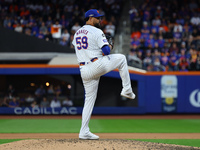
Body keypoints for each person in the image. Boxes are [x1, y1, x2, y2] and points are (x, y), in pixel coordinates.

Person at [72, 9, 135, 140]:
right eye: (97, 18)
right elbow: (106, 51)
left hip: (84, 69)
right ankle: (127, 89)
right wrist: (109, 46)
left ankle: (84, 131)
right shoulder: (96, 31)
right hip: (96, 64)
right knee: (122, 58)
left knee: (89, 100)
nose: (100, 20)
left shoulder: (77, 33)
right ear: (90, 18)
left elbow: (79, 48)